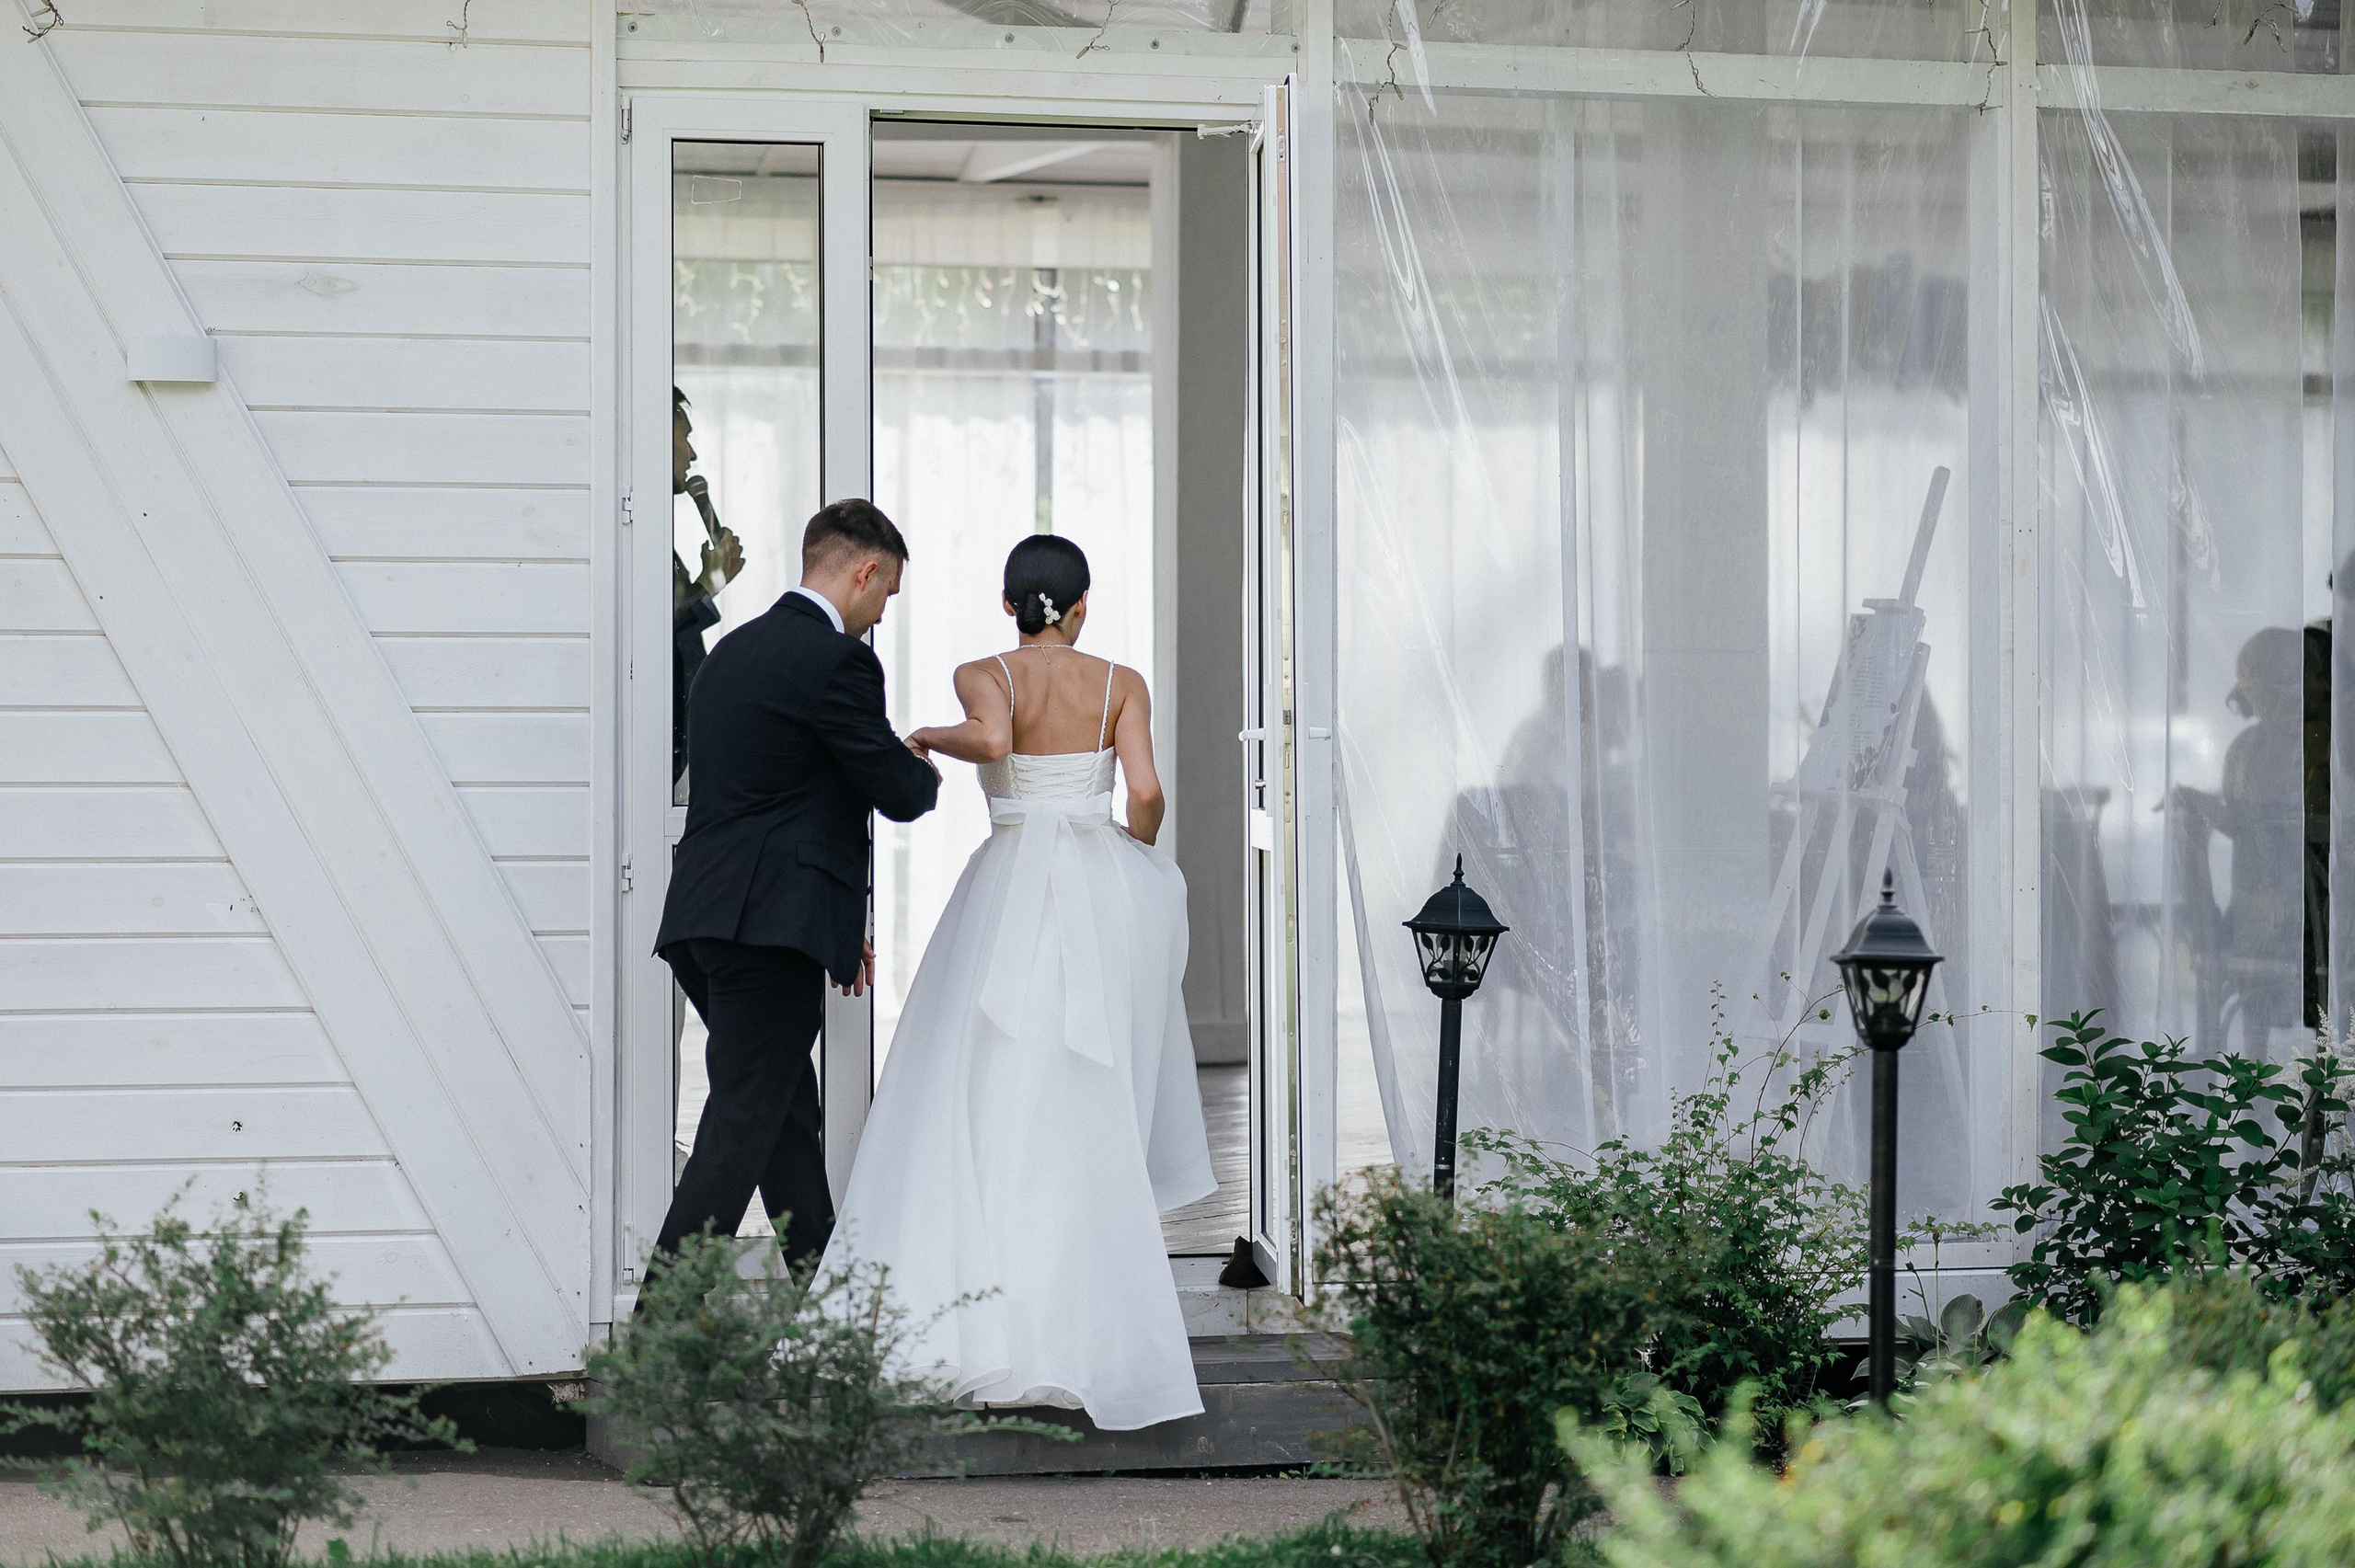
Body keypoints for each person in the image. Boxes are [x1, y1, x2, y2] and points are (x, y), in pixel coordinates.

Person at [821, 535, 1215, 1431]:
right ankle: (1084, 1328)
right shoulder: (1120, 683)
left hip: (1007, 890)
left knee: (989, 1086)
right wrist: (1131, 850)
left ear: (1008, 605)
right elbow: (1146, 794)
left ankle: (982, 1310)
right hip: (1097, 890)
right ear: (1081, 607)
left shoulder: (982, 672)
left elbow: (993, 739)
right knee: (1086, 1091)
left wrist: (929, 735)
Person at [649, 498, 940, 1270]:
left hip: (706, 919)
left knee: (782, 1124)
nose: (881, 616)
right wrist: (918, 762)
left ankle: (825, 1306)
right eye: (887, 595)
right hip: (767, 931)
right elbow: (896, 790)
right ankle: (654, 1330)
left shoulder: (729, 654)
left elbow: (785, 796)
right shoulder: (838, 661)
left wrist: (838, 924)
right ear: (865, 572)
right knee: (740, 1129)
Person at [672, 387, 743, 789]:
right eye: (684, 438)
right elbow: (657, 629)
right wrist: (709, 581)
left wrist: (713, 579)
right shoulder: (633, 540)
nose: (692, 455)